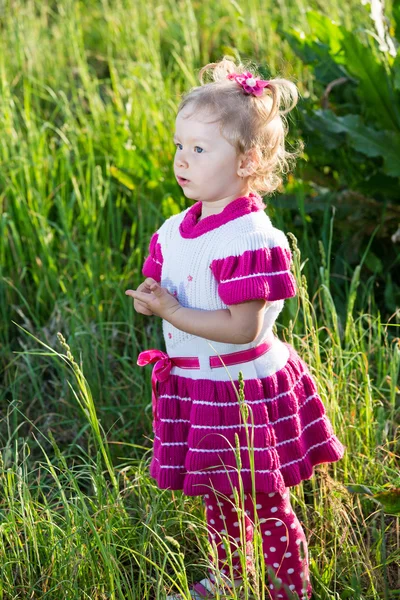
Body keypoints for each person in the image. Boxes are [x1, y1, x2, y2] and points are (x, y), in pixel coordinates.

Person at [125, 56, 346, 600]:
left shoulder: (250, 237)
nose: (182, 160)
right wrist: (154, 301)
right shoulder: (174, 230)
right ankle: (229, 577)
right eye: (180, 146)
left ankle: (287, 587)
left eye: (199, 150)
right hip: (201, 386)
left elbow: (242, 328)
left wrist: (174, 313)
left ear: (247, 161)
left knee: (264, 497)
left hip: (244, 388)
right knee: (218, 496)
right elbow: (169, 286)